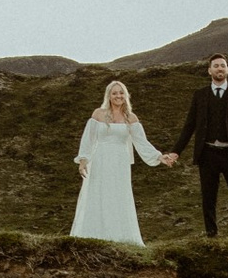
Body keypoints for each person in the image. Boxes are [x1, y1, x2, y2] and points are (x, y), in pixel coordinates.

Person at [165, 53, 228, 237]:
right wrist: (176, 152)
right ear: (209, 70)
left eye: (223, 65)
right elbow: (189, 126)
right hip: (208, 153)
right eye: (216, 66)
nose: (219, 69)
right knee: (208, 197)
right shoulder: (200, 95)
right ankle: (211, 234)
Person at [70, 79, 169, 246]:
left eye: (121, 92)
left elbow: (142, 142)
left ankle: (120, 237)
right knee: (99, 194)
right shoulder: (98, 114)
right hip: (100, 160)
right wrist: (83, 160)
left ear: (126, 96)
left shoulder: (131, 118)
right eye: (114, 93)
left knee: (118, 196)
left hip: (120, 162)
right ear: (108, 96)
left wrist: (159, 157)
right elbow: (88, 138)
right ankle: (94, 236)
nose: (118, 96)